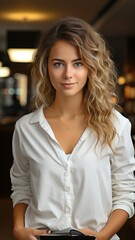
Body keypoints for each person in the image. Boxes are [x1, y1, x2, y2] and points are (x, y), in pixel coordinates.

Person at [10, 16, 135, 240]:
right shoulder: (26, 128)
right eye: (58, 63)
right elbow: (21, 185)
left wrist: (102, 236)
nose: (68, 74)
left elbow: (125, 193)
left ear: (91, 67)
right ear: (46, 67)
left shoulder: (116, 125)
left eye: (78, 63)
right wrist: (18, 228)